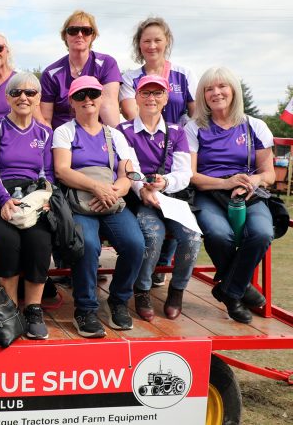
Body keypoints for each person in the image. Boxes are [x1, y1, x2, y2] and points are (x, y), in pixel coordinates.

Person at [52, 76, 145, 338]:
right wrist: (96, 188)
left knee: (135, 243)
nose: (87, 100)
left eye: (92, 94)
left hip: (111, 200)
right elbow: (62, 170)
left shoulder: (114, 135)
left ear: (101, 97)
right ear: (72, 101)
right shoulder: (65, 132)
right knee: (88, 245)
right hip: (81, 202)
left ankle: (118, 300)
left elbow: (127, 173)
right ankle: (85, 308)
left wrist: (116, 190)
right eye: (80, 96)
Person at [185, 66, 276, 324]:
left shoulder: (255, 126)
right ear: (203, 95)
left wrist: (251, 180)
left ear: (233, 90)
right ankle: (241, 288)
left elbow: (269, 175)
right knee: (217, 234)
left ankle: (229, 291)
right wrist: (226, 183)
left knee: (262, 233)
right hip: (209, 191)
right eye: (209, 88)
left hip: (247, 192)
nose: (216, 92)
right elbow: (192, 176)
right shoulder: (194, 128)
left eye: (222, 86)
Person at [120, 17, 198, 287]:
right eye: (146, 40)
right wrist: (148, 125)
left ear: (167, 42)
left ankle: (164, 272)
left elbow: (195, 113)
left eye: (157, 40)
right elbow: (134, 113)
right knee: (152, 228)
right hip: (144, 144)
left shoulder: (183, 73)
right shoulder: (131, 77)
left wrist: (178, 135)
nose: (152, 45)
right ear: (139, 45)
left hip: (174, 145)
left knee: (184, 229)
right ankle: (145, 283)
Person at [117, 75, 201, 321]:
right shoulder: (124, 131)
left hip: (171, 198)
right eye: (145, 93)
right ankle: (142, 289)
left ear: (165, 98)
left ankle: (177, 290)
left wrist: (166, 182)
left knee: (192, 237)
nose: (151, 98)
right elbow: (129, 167)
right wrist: (144, 188)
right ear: (137, 97)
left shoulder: (176, 132)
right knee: (153, 235)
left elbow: (185, 172)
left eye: (157, 93)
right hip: (140, 198)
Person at [0, 71, 54, 339]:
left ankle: (33, 309)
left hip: (33, 195)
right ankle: (9, 310)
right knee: (8, 239)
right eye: (17, 92)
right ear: (8, 98)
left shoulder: (45, 132)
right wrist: (3, 199)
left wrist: (45, 198)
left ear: (38, 98)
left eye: (30, 92)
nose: (23, 97)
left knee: (40, 239)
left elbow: (49, 174)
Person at [40, 10, 121, 129]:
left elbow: (108, 106)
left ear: (93, 36)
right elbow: (46, 119)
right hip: (63, 138)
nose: (79, 34)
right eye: (73, 31)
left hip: (98, 137)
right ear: (65, 36)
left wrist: (117, 141)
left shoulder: (107, 64)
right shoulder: (50, 74)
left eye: (86, 31)